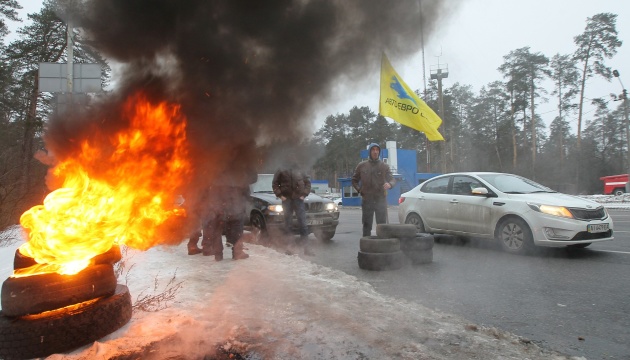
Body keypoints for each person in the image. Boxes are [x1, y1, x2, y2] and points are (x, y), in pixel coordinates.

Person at [201, 169, 257, 261]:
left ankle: (219, 254)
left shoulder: (216, 164)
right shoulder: (238, 165)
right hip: (233, 199)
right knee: (236, 226)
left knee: (218, 227)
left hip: (220, 199)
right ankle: (236, 252)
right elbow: (252, 177)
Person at [352, 143, 396, 237]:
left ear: (379, 152)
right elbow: (354, 180)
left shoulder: (384, 166)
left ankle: (382, 246)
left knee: (381, 225)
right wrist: (360, 190)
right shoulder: (362, 165)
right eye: (373, 150)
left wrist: (390, 184)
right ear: (370, 152)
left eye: (377, 150)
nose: (375, 152)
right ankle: (366, 246)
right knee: (367, 225)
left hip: (380, 199)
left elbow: (392, 179)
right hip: (367, 200)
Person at [272, 161, 314, 256]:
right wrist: (280, 195)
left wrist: (304, 194)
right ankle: (289, 248)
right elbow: (275, 183)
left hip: (299, 199)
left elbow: (307, 183)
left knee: (303, 224)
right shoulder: (281, 168)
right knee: (288, 225)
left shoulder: (300, 168)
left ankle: (307, 249)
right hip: (286, 200)